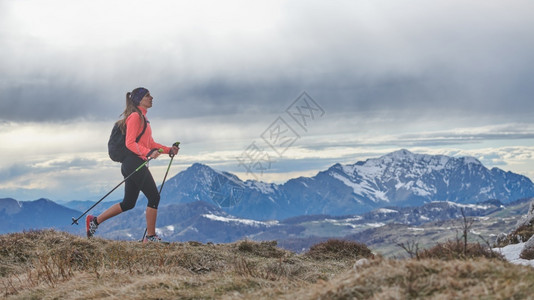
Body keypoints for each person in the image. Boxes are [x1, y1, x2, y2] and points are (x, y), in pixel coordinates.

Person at [86, 87, 179, 242]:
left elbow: (150, 143)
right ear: (139, 99)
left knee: (128, 203)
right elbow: (130, 143)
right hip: (133, 162)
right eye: (148, 96)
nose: (151, 98)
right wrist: (148, 153)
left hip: (133, 163)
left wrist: (168, 149)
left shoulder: (143, 118)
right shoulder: (135, 117)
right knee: (154, 197)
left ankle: (94, 221)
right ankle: (150, 237)